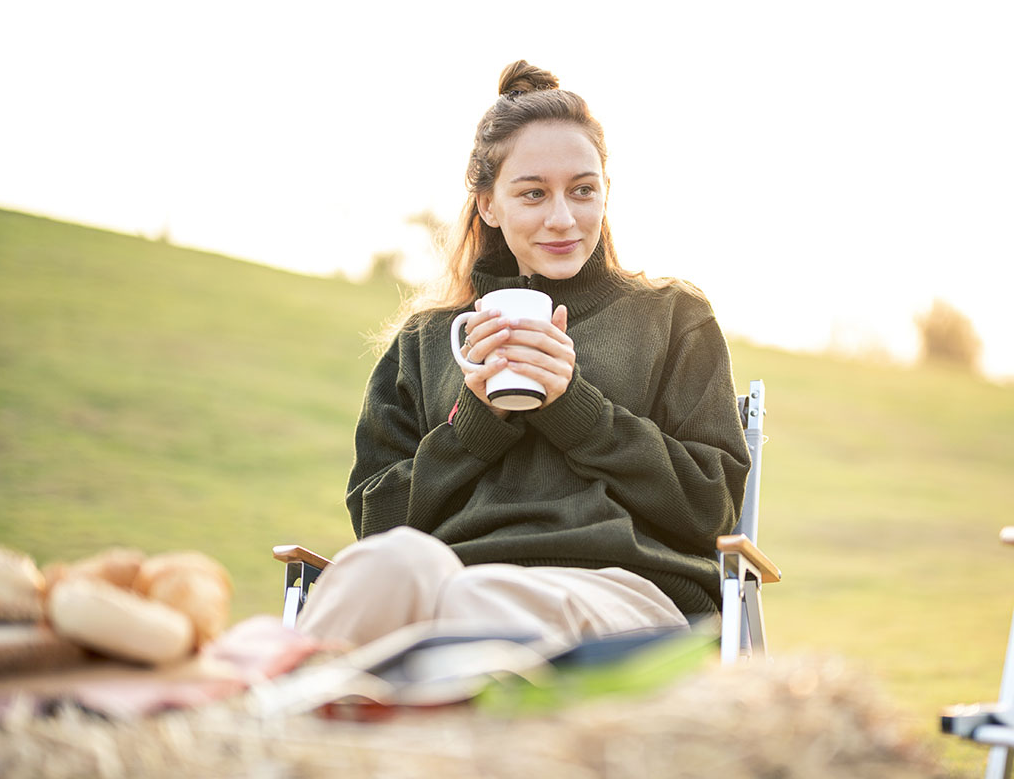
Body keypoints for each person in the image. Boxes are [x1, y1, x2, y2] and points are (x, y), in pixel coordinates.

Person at [295, 60, 750, 650]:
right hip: (456, 575)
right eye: (533, 193)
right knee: (385, 569)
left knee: (464, 602)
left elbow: (709, 507)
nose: (563, 218)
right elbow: (376, 524)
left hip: (625, 587)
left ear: (606, 192)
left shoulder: (672, 317)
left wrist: (575, 407)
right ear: (488, 204)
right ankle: (268, 722)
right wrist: (476, 421)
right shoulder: (428, 342)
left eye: (583, 190)